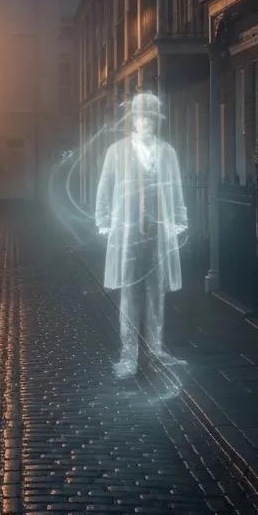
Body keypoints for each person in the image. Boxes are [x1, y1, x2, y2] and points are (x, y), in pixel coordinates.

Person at [95, 90, 187, 378]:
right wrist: (103, 219)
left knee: (156, 292)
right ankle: (128, 356)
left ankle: (156, 350)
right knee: (129, 294)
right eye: (140, 117)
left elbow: (175, 188)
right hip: (128, 233)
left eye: (150, 117)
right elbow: (104, 188)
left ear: (156, 121)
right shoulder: (117, 151)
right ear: (132, 120)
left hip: (158, 233)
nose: (145, 122)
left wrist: (180, 218)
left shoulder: (167, 152)